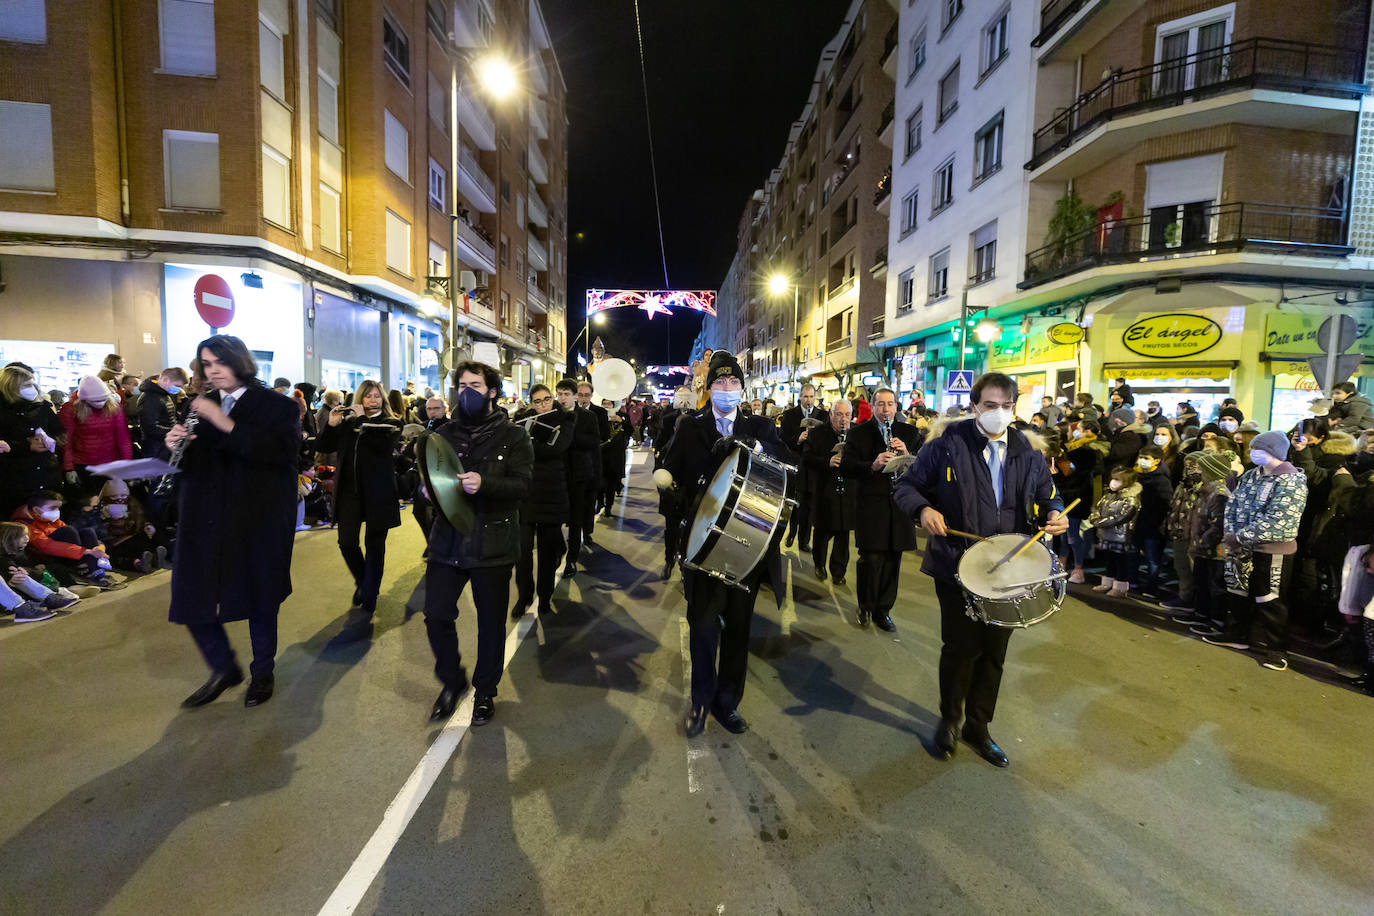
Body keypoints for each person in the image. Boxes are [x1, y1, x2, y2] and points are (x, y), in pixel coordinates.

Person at [894, 372, 1067, 768]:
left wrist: (1056, 513)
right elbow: (907, 487)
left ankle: (979, 725)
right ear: (974, 407)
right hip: (957, 563)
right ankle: (950, 719)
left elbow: (1049, 494)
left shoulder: (1028, 452)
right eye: (990, 406)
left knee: (994, 653)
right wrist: (923, 509)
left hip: (1010, 569)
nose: (999, 414)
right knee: (960, 648)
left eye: (1006, 407)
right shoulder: (946, 446)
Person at [164, 335, 301, 709]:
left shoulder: (277, 406)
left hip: (257, 520)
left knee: (260, 598)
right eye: (206, 364)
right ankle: (224, 667)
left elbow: (282, 454)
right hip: (206, 519)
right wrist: (175, 445)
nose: (213, 371)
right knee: (193, 596)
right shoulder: (202, 405)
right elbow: (196, 463)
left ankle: (262, 672)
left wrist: (223, 423)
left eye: (219, 363)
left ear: (239, 362)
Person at [664, 350, 790, 737]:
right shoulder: (690, 426)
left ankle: (727, 703)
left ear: (742, 388)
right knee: (702, 628)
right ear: (709, 388)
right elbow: (669, 471)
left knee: (738, 630)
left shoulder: (762, 427)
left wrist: (757, 448)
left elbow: (789, 466)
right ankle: (701, 701)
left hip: (748, 546)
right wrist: (669, 489)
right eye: (720, 383)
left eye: (733, 383)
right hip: (703, 548)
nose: (727, 389)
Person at [422, 361, 533, 724]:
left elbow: (522, 486)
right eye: (462, 385)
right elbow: (425, 478)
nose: (467, 391)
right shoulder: (441, 433)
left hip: (493, 542)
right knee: (437, 613)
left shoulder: (515, 436)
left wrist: (485, 484)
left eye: (475, 385)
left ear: (493, 392)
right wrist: (425, 489)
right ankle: (452, 681)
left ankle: (485, 691)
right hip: (448, 540)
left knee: (490, 623)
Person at [1202, 431, 1307, 671]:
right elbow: (1234, 504)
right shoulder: (1252, 475)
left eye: (1259, 449)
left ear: (1274, 452)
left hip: (1273, 549)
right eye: (1252, 449)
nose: (1253, 453)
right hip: (1241, 545)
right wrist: (1232, 535)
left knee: (1269, 597)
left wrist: (1239, 536)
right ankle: (1236, 634)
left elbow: (1279, 519)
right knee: (1238, 590)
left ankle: (1276, 649)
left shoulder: (1291, 481)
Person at [315, 379, 404, 634]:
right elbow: (323, 446)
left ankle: (370, 592)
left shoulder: (391, 422)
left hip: (379, 493)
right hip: (350, 492)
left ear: (383, 399)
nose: (373, 400)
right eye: (368, 396)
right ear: (360, 399)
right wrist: (332, 425)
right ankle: (363, 580)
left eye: (377, 396)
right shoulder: (347, 422)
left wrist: (358, 420)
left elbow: (382, 447)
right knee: (347, 542)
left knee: (375, 545)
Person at [841, 388, 916, 630]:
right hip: (872, 505)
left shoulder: (909, 433)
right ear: (873, 407)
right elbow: (847, 467)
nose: (886, 409)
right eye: (881, 404)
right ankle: (865, 605)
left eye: (890, 404)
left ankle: (883, 611)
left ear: (896, 407)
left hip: (900, 506)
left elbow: (923, 469)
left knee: (893, 560)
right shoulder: (859, 433)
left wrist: (906, 454)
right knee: (871, 559)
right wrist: (872, 465)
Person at [513, 384, 573, 617]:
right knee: (522, 552)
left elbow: (556, 448)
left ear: (553, 399)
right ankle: (524, 595)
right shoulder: (522, 421)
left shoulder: (565, 420)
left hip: (552, 493)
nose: (542, 404)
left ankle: (544, 597)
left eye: (546, 399)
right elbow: (516, 452)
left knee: (547, 554)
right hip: (526, 494)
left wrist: (531, 442)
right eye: (537, 401)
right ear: (531, 402)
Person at [0, 363, 64, 516]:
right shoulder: (3, 411)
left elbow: (59, 431)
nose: (33, 388)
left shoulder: (41, 406)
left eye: (33, 383)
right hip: (12, 481)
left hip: (43, 476)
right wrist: (24, 446)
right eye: (27, 384)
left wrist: (51, 441)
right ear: (12, 386)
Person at [804, 399, 856, 584]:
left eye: (847, 415)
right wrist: (827, 462)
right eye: (839, 414)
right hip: (825, 489)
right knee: (822, 533)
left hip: (848, 491)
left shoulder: (855, 434)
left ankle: (838, 571)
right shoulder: (817, 434)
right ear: (831, 414)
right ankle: (819, 564)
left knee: (843, 536)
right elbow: (807, 458)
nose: (843, 419)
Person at [1055, 418, 1107, 584]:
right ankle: (1062, 565)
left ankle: (1078, 568)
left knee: (1073, 535)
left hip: (1076, 498)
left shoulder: (1086, 453)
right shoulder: (1072, 451)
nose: (1071, 433)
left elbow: (1078, 477)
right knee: (1064, 535)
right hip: (1068, 497)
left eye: (1076, 429)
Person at [557, 378, 600, 577]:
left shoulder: (587, 416)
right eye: (560, 394)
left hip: (579, 475)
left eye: (566, 394)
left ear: (575, 396)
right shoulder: (553, 415)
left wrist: (569, 433)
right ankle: (559, 551)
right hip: (557, 474)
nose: (562, 398)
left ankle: (572, 560)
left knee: (575, 520)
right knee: (556, 518)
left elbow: (593, 442)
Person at [59, 376, 132, 488]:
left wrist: (126, 464)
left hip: (110, 463)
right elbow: (66, 441)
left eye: (104, 399)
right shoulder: (71, 409)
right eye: (96, 400)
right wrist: (69, 468)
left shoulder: (114, 407)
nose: (101, 403)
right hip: (82, 464)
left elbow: (123, 438)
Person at [779, 384, 824, 552]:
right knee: (795, 503)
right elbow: (782, 439)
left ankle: (804, 540)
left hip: (813, 468)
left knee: (809, 506)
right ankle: (792, 532)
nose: (809, 400)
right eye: (805, 397)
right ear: (800, 397)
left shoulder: (822, 415)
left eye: (811, 397)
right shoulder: (790, 415)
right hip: (796, 464)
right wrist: (798, 439)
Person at [1088, 466, 1140, 598]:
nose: (1113, 482)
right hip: (1106, 535)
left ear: (1127, 482)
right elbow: (1096, 509)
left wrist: (1100, 522)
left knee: (1121, 562)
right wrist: (1095, 518)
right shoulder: (1108, 495)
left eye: (1117, 479)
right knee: (1109, 559)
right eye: (1113, 478)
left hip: (1121, 536)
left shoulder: (1131, 499)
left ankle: (1120, 587)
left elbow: (1122, 517)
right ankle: (1107, 583)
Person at [1132, 445, 1173, 598]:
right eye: (1141, 457)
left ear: (1156, 461)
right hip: (1138, 523)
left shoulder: (1162, 480)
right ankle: (1132, 582)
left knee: (1152, 559)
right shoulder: (1136, 475)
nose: (1142, 461)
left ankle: (1151, 587)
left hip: (1153, 526)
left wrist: (1154, 522)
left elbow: (1165, 504)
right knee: (1133, 554)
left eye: (1146, 458)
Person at [137, 368, 189, 461]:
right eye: (177, 385)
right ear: (165, 379)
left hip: (163, 444)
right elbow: (151, 428)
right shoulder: (150, 398)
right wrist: (176, 432)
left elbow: (169, 418)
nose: (179, 389)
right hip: (155, 449)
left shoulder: (163, 394)